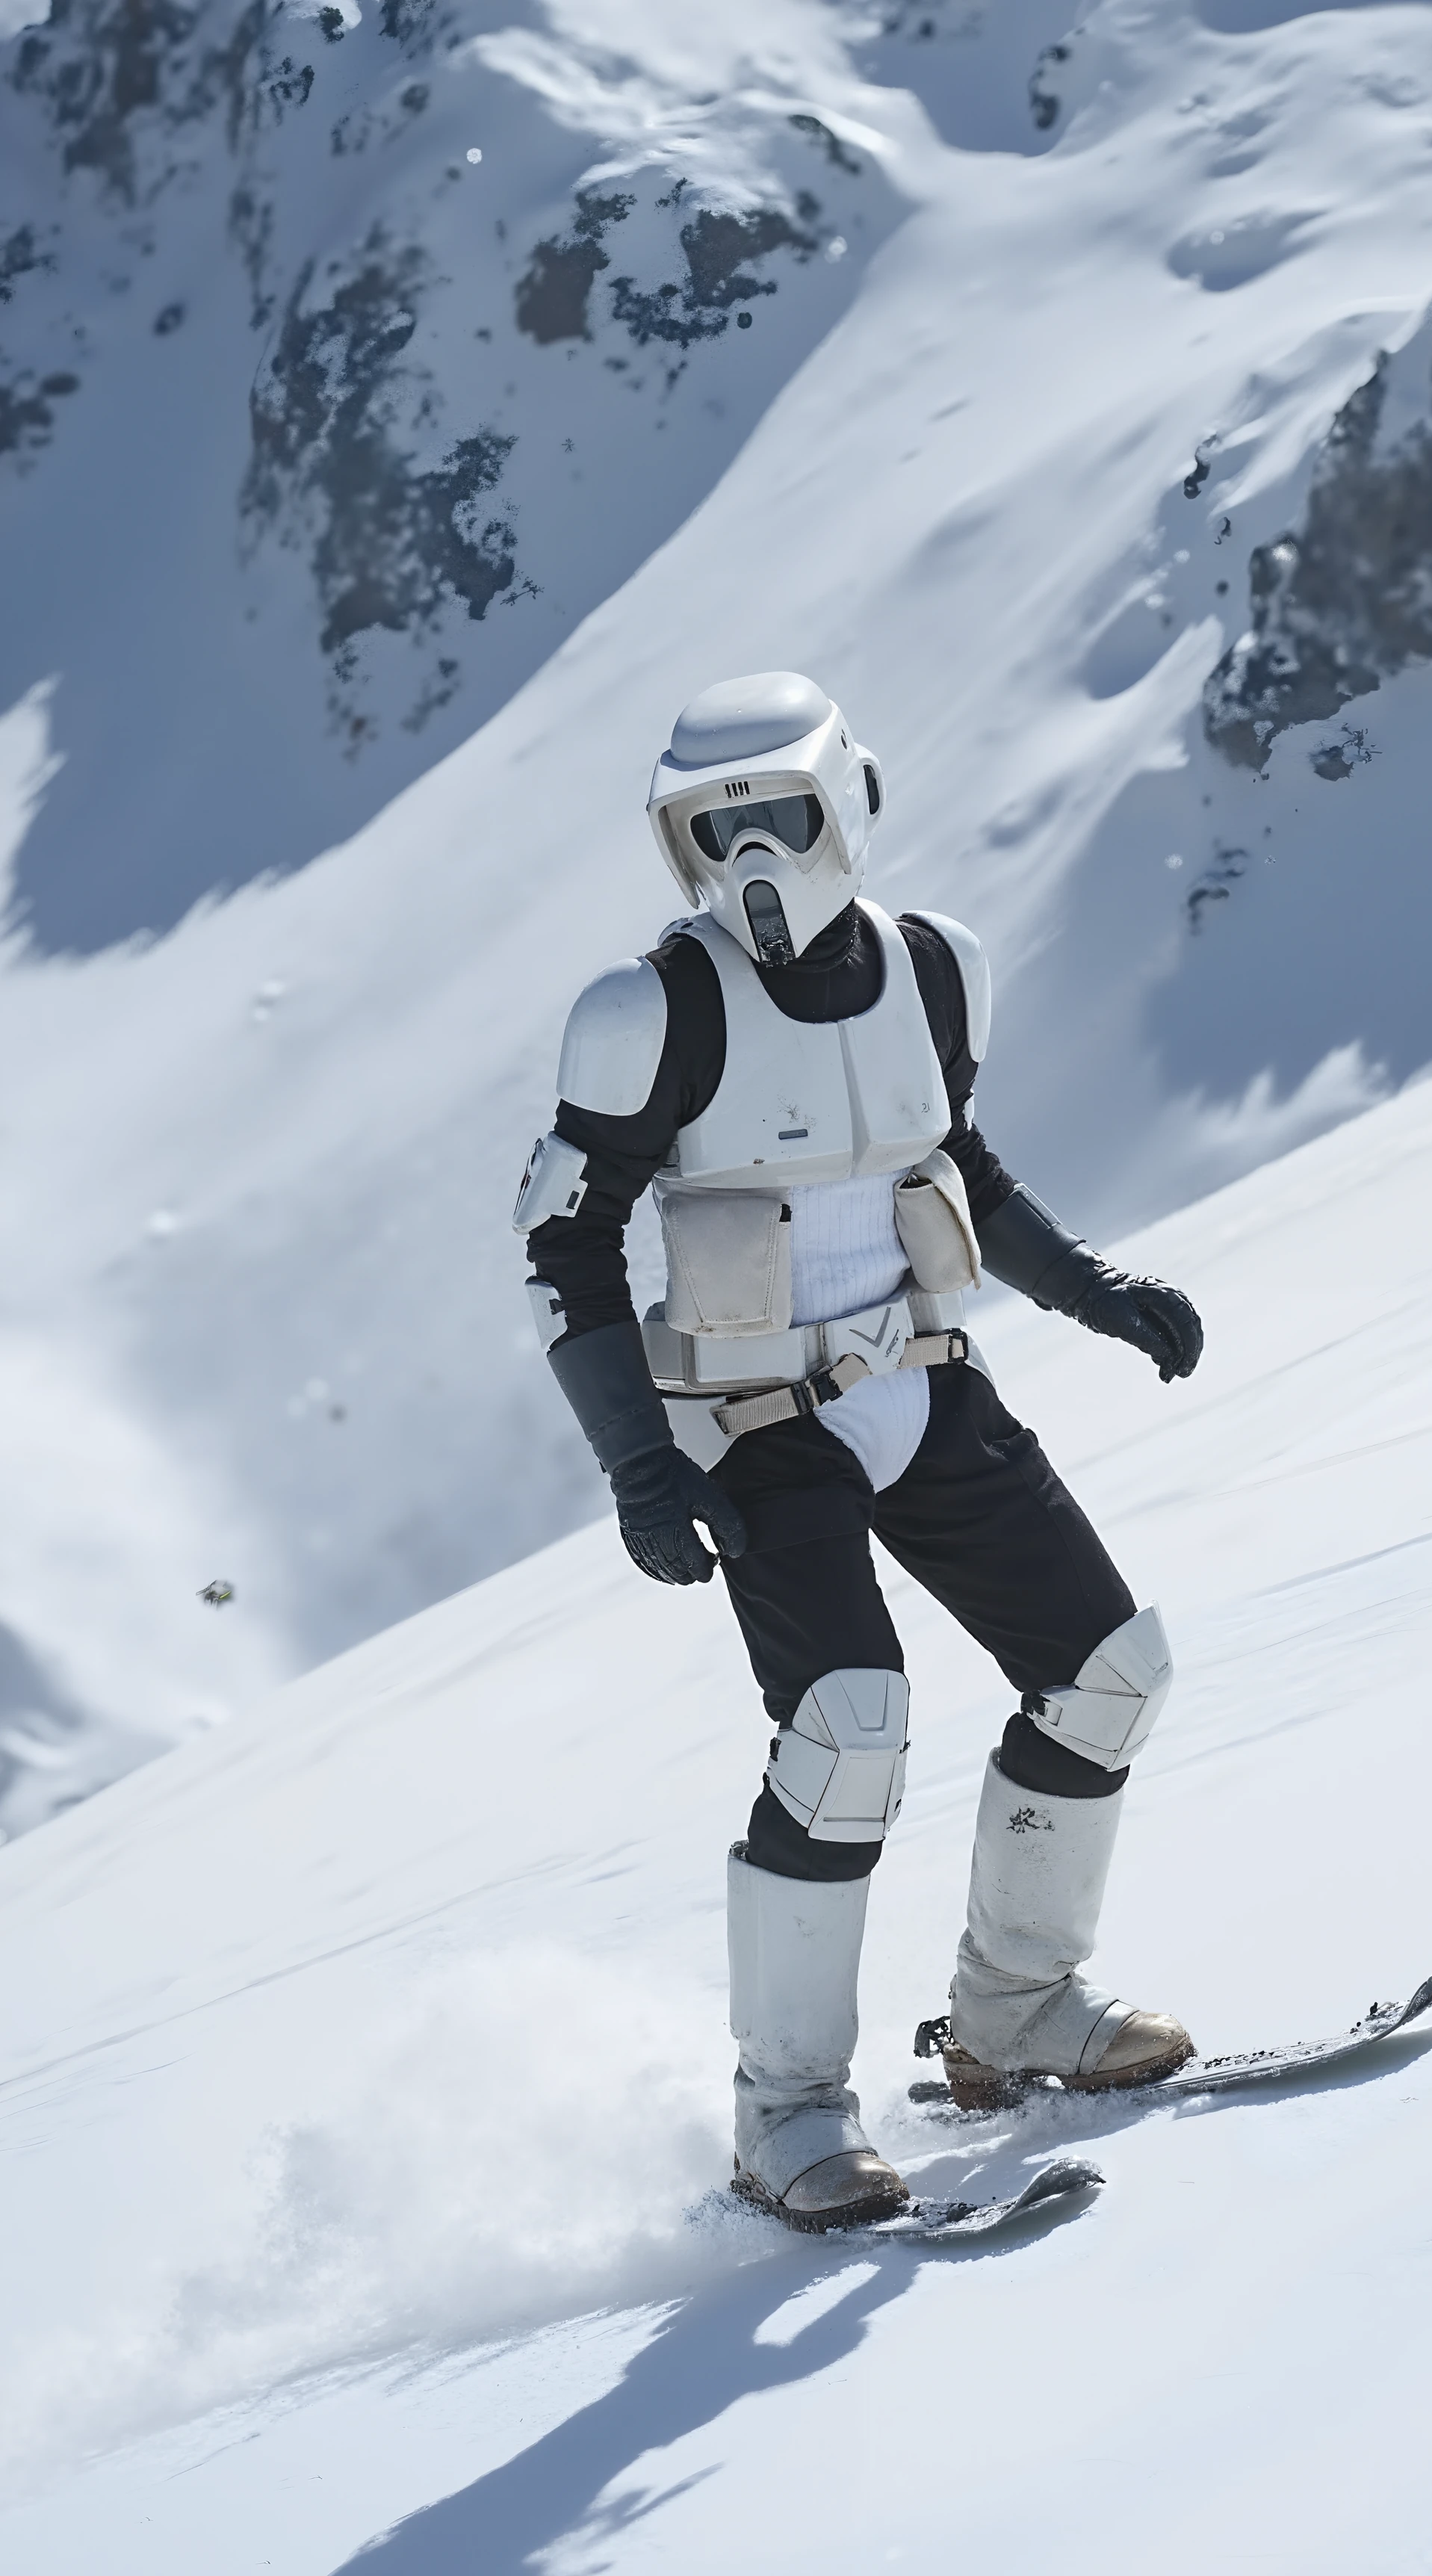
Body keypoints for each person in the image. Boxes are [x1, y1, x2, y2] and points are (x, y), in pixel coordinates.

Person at [515, 672, 1204, 2232]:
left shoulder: (936, 970)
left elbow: (948, 1154)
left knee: (1112, 1675)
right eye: (715, 831)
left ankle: (1015, 2012)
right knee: (847, 1740)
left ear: (851, 802)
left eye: (780, 818)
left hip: (921, 1382)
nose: (753, 860)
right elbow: (567, 1244)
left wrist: (1090, 1287)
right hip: (754, 1426)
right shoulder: (651, 1011)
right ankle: (785, 2116)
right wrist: (640, 1462)